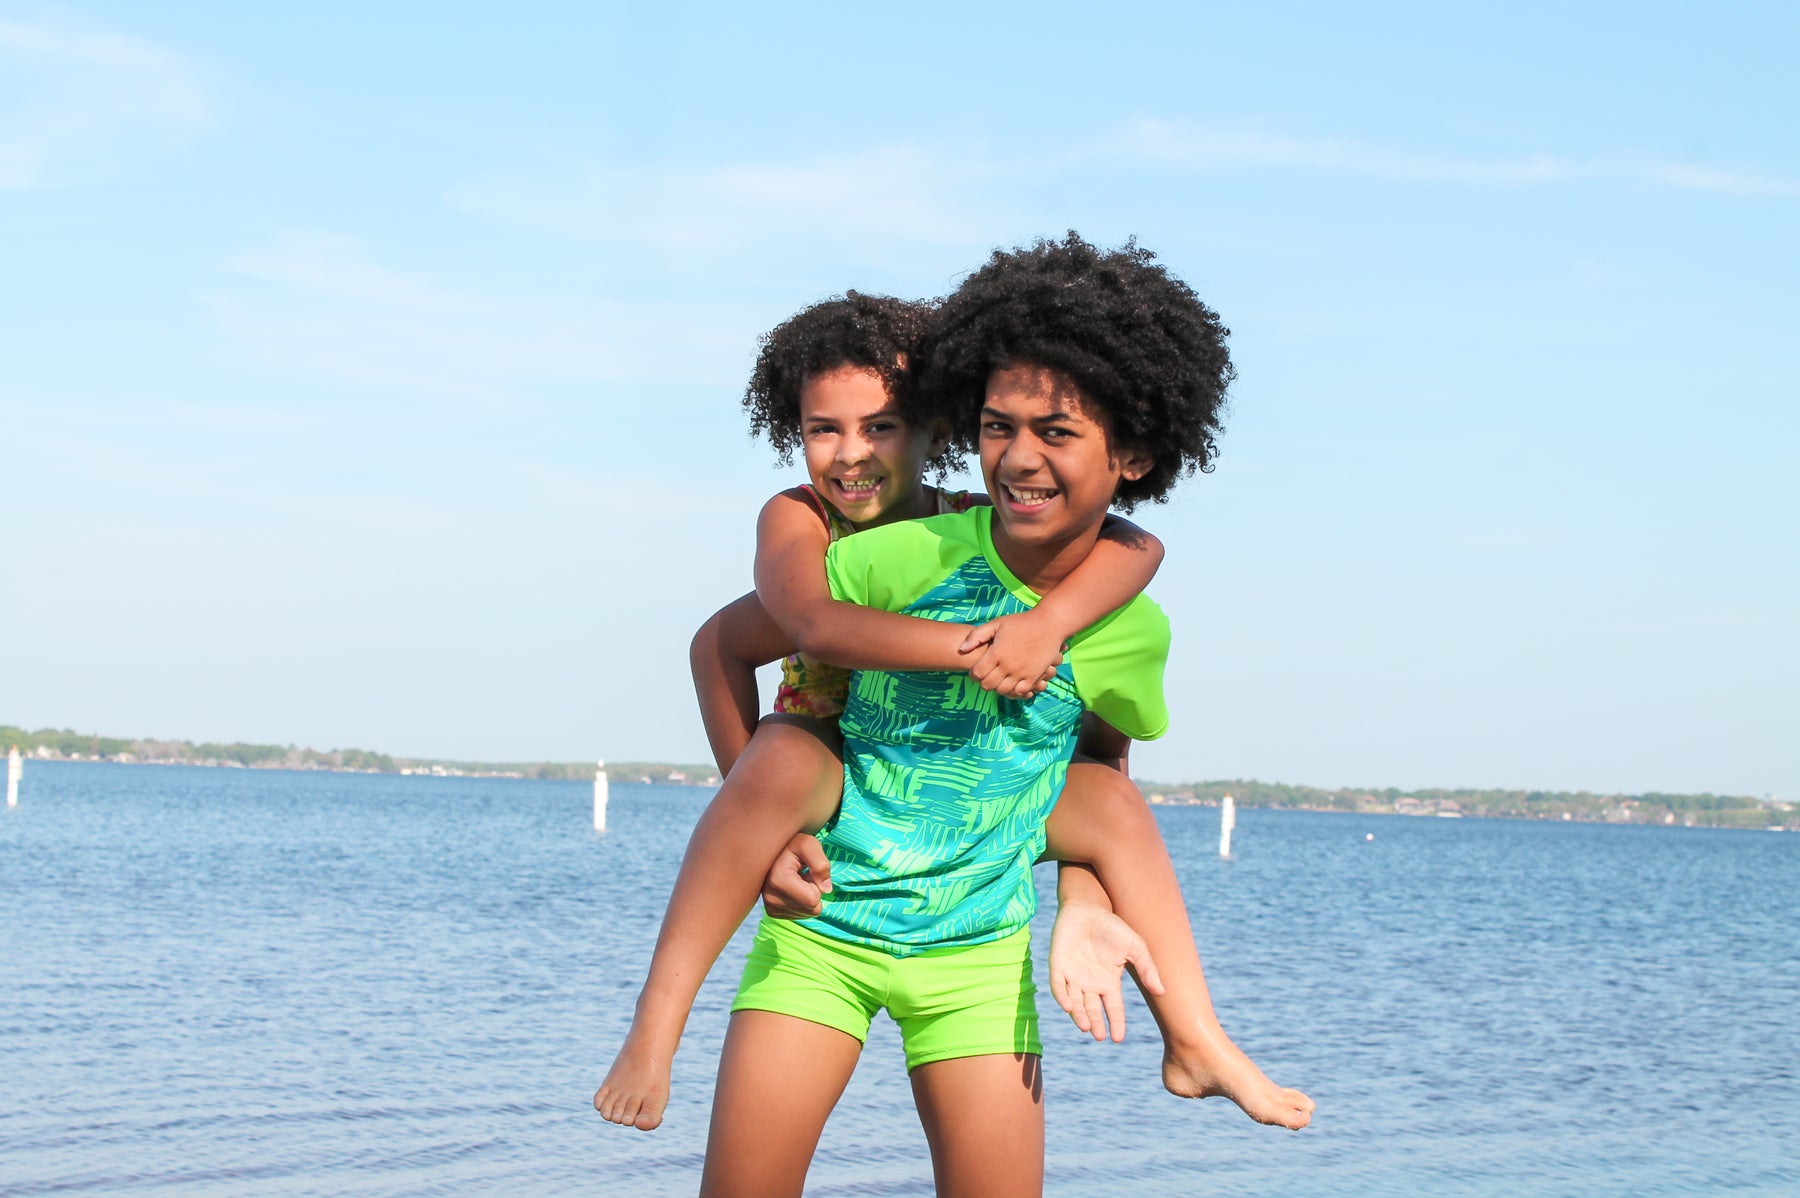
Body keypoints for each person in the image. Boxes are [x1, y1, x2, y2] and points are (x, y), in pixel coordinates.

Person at [596, 290, 1178, 1136]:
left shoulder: (975, 525)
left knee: (1106, 801)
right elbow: (790, 629)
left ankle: (1193, 1034)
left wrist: (1048, 626)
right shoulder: (802, 518)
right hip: (827, 756)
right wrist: (764, 828)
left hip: (941, 788)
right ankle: (655, 1027)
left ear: (936, 431)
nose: (850, 453)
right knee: (781, 756)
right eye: (822, 429)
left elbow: (1136, 545)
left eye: (881, 427)